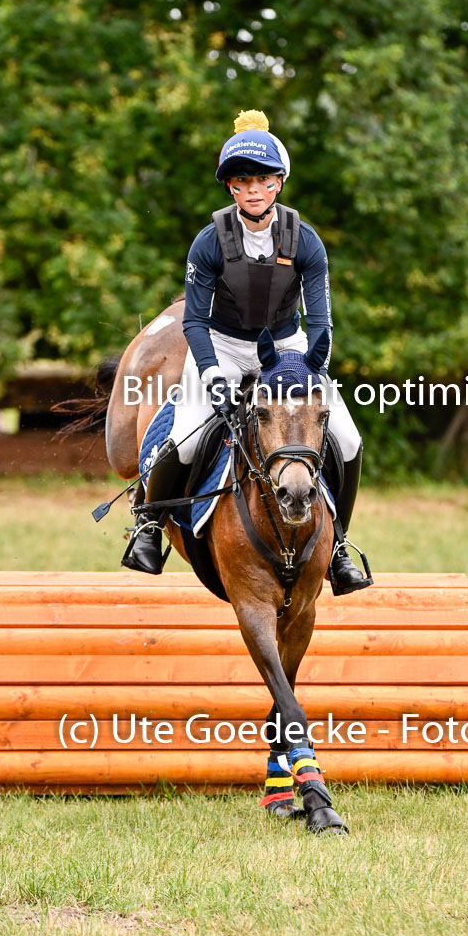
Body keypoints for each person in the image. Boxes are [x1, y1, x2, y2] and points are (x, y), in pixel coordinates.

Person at [126, 109, 368, 594]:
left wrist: (312, 365)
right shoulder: (209, 242)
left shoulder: (307, 242)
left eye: (261, 180)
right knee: (189, 438)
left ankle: (338, 544)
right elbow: (193, 319)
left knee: (348, 435)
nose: (252, 190)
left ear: (278, 183)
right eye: (241, 182)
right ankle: (150, 526)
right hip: (221, 345)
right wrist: (213, 371)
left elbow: (320, 320)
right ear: (231, 189)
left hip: (288, 347)